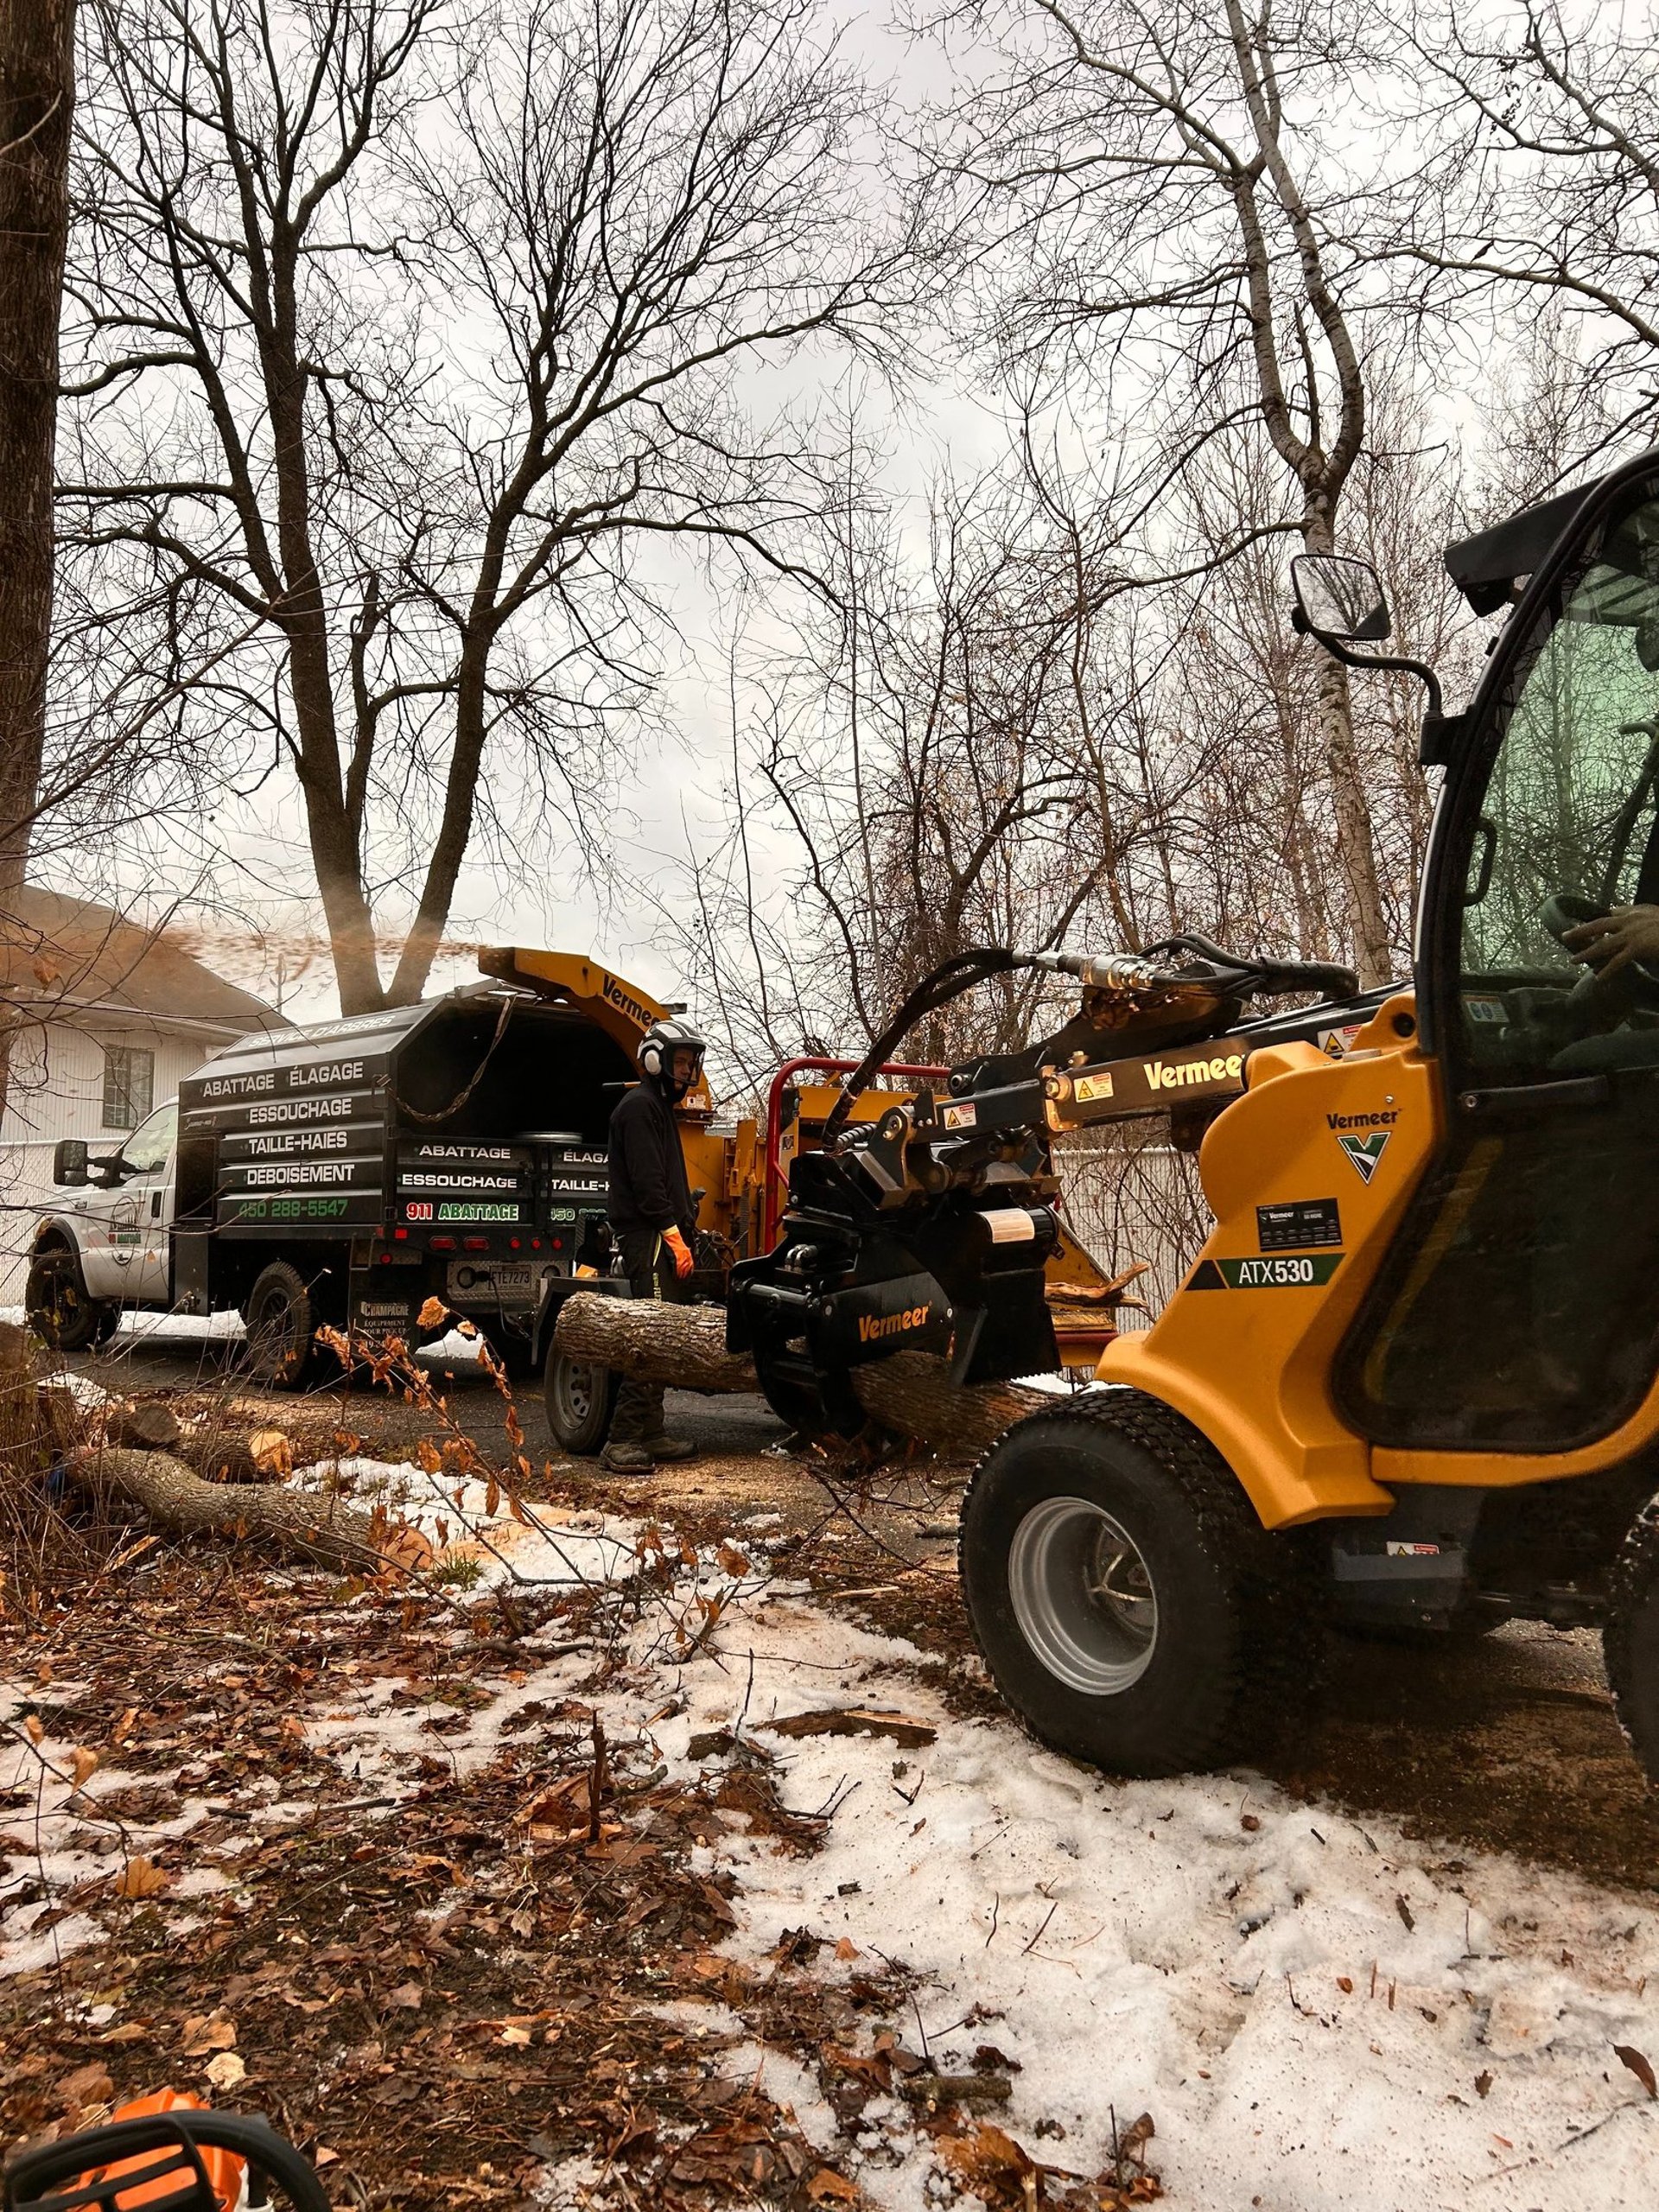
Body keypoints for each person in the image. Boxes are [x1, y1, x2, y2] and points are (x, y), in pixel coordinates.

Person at [601, 1016, 707, 1473]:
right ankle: (621, 1439)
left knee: (663, 1337)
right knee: (649, 1336)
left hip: (664, 1237)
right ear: (654, 1060)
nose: (685, 1071)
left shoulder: (658, 1108)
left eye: (689, 1063)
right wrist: (671, 1235)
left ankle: (652, 1432)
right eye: (679, 1062)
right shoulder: (639, 1107)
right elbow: (648, 1185)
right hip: (648, 1240)